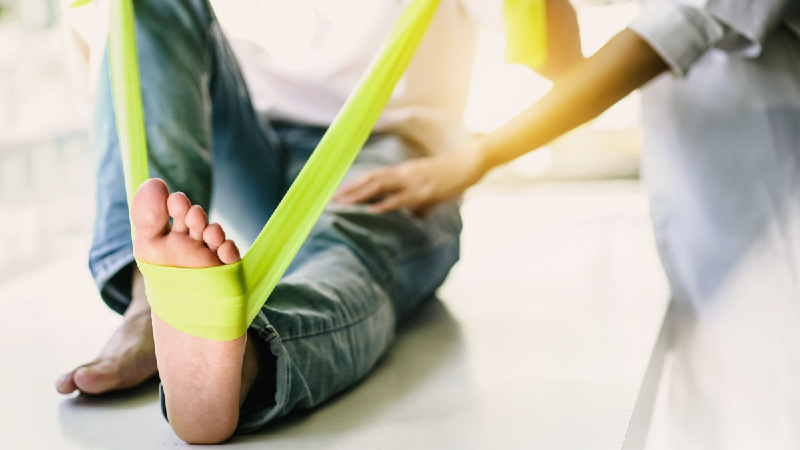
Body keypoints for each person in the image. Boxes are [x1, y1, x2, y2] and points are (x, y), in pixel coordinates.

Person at [55, 0, 583, 444]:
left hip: (389, 156)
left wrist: (473, 159)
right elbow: (112, 47)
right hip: (264, 153)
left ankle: (249, 356)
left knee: (350, 251)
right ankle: (153, 300)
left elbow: (566, 65)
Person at [337, 1, 800, 449]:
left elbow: (662, 37)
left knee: (774, 403)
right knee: (726, 408)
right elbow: (565, 61)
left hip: (773, 211)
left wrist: (479, 155)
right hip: (710, 222)